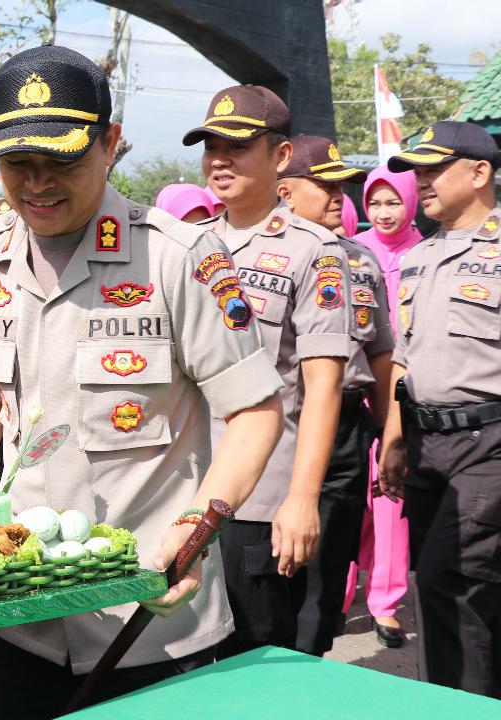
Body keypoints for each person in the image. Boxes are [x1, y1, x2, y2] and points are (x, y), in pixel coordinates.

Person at [0, 46, 284, 718]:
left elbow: (255, 411)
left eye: (64, 162)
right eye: (20, 164)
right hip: (22, 621)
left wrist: (202, 520)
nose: (39, 184)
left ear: (110, 144)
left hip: (154, 623)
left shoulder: (180, 259)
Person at [182, 85, 351, 656]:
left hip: (259, 503)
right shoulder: (187, 245)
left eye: (237, 146)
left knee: (253, 663)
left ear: (280, 157)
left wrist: (302, 499)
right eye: (210, 146)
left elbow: (323, 386)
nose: (219, 160)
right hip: (184, 491)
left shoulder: (317, 250)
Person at [378, 121, 501, 698]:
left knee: (453, 583)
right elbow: (406, 356)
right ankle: (448, 700)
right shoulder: (421, 255)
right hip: (426, 446)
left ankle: (456, 707)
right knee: (442, 584)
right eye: (416, 171)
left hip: (490, 443)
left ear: (479, 173)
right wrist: (395, 440)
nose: (420, 183)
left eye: (434, 169)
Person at [274, 134, 395, 656]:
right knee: (267, 576)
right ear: (284, 191)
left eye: (342, 186)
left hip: (345, 431)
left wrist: (391, 435)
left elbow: (383, 357)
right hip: (276, 430)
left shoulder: (360, 260)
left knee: (326, 580)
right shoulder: (252, 256)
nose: (336, 196)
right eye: (322, 185)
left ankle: (312, 670)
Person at [344, 165, 422, 647]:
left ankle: (385, 601)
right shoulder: (354, 252)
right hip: (356, 387)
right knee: (353, 493)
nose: (384, 212)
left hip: (405, 390)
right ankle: (341, 590)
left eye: (394, 201)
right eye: (375, 202)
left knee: (391, 492)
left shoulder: (426, 253)